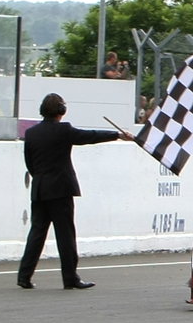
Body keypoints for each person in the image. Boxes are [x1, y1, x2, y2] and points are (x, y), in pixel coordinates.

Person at [18, 92, 131, 290]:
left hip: (40, 189)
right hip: (60, 189)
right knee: (65, 235)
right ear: (61, 111)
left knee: (36, 233)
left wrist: (41, 179)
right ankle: (70, 278)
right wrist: (117, 135)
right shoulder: (64, 130)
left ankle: (24, 276)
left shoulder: (31, 133)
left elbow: (30, 163)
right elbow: (89, 136)